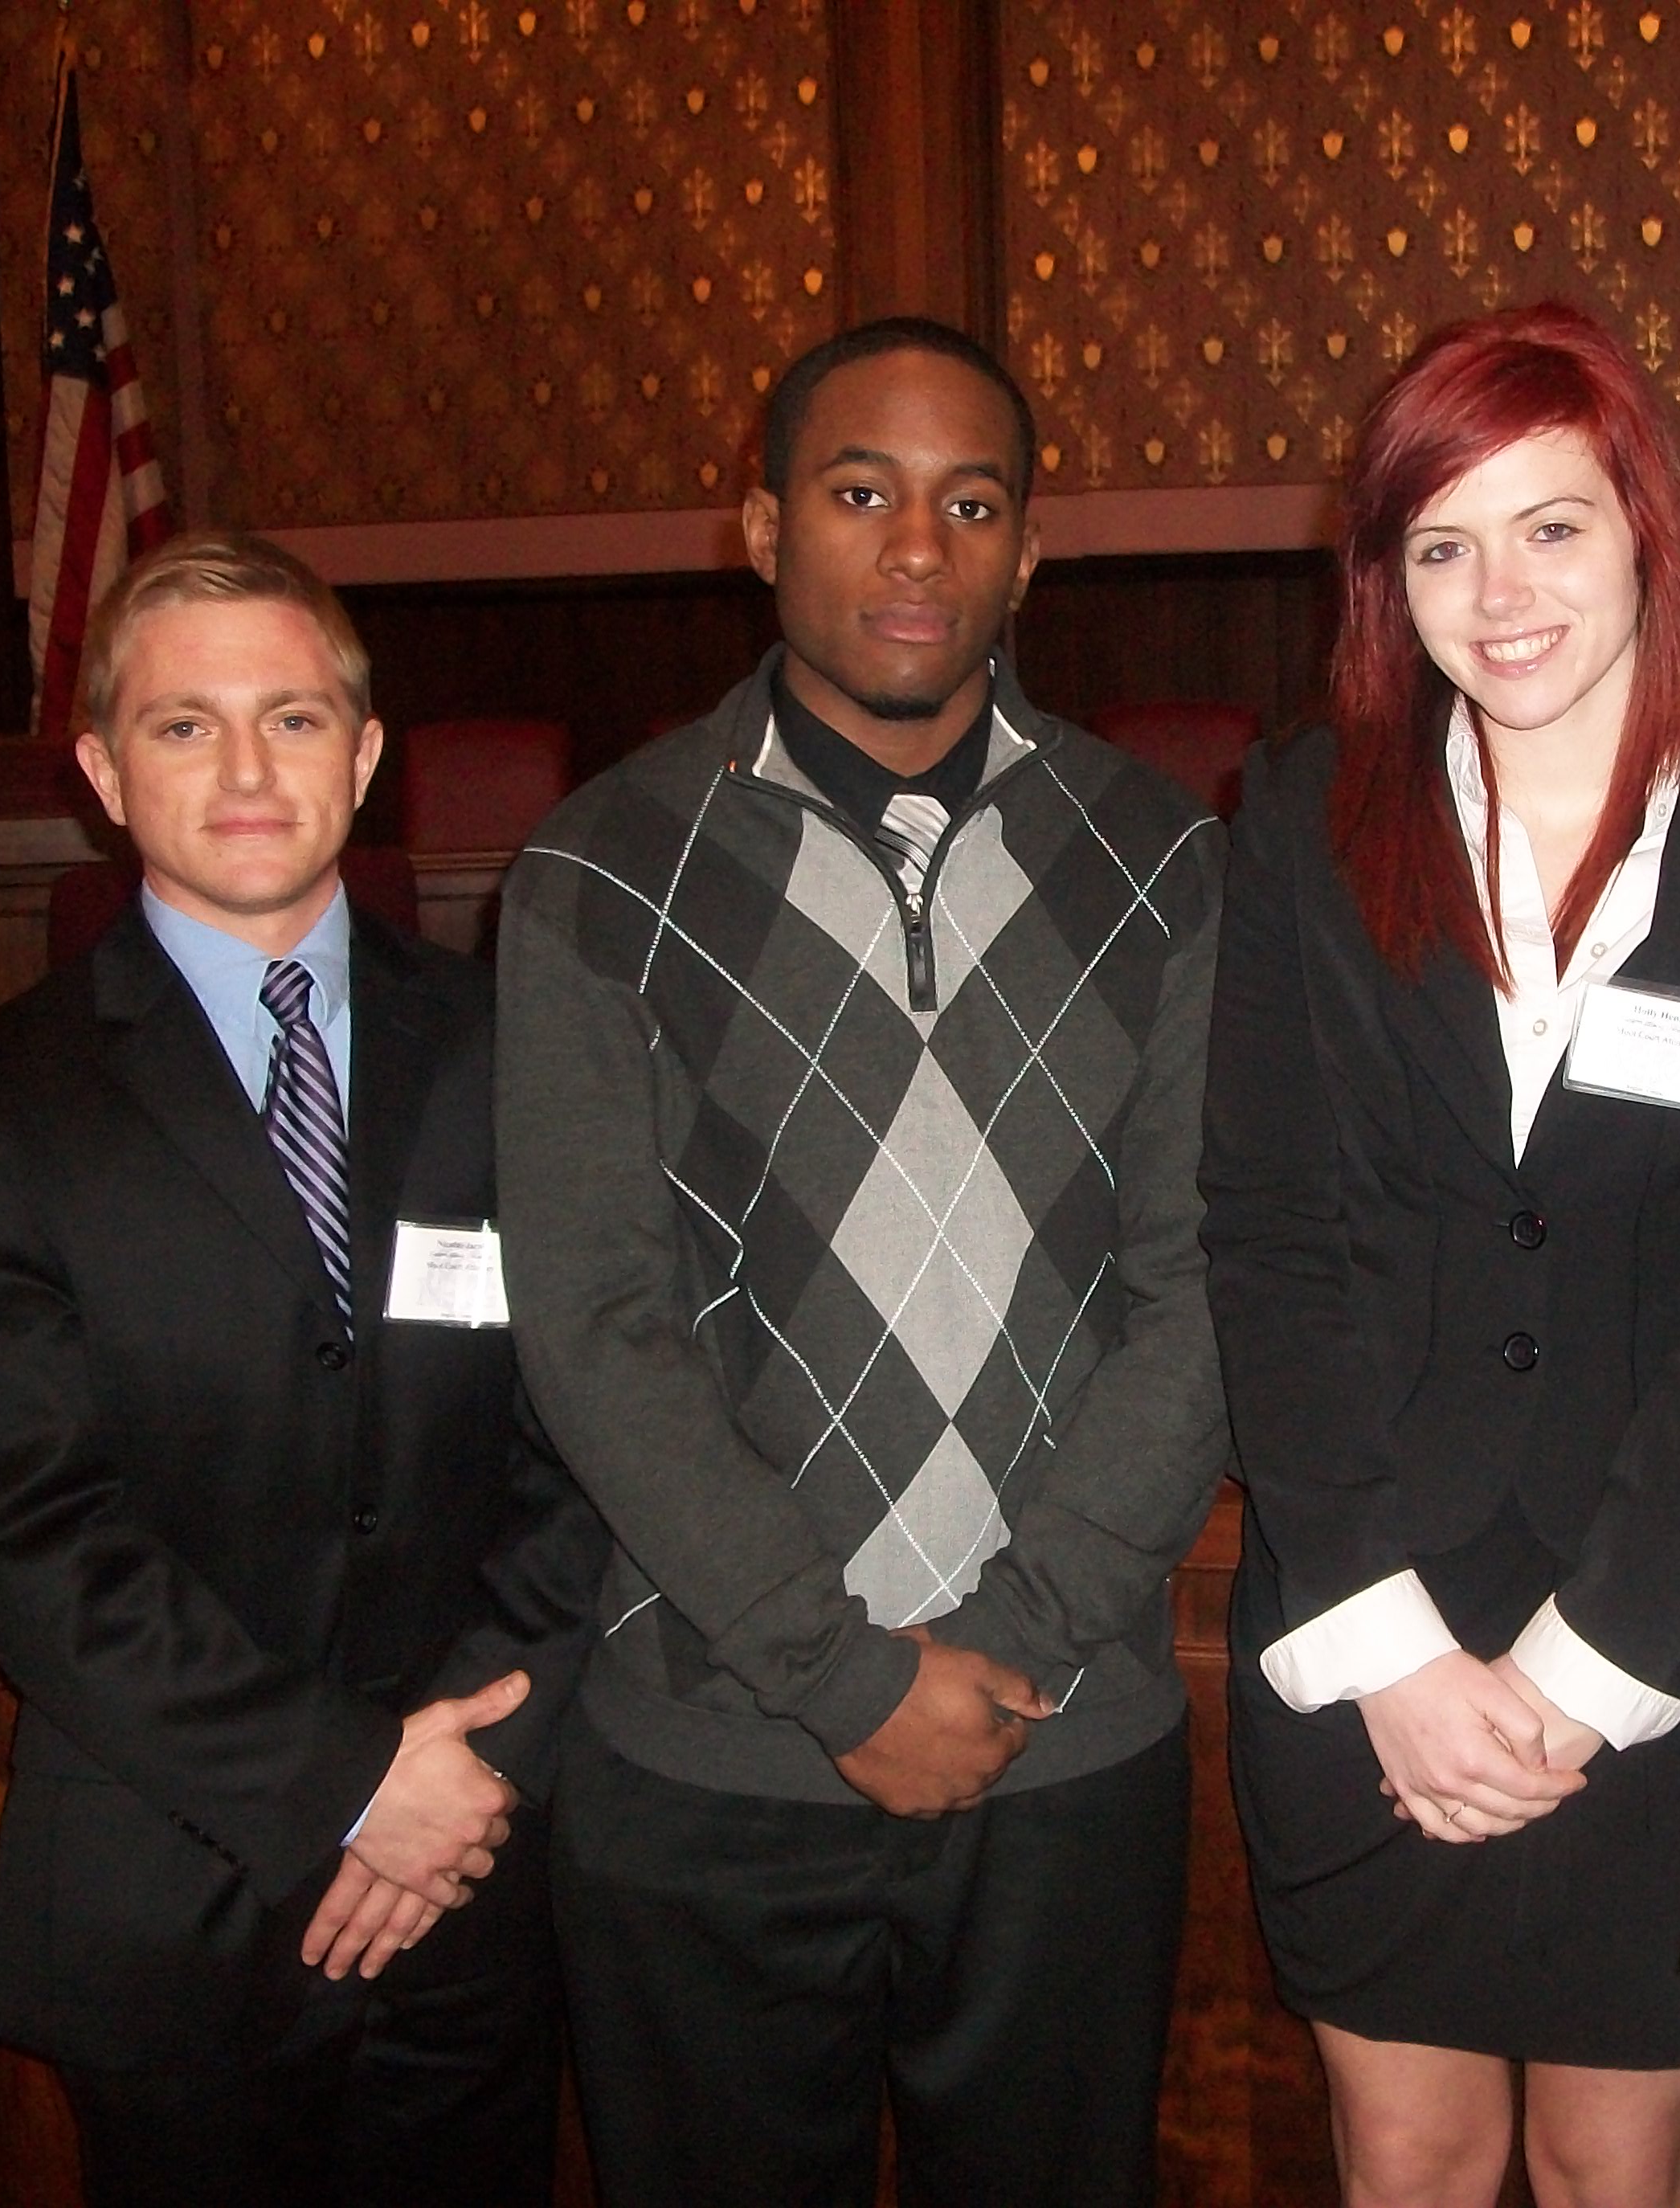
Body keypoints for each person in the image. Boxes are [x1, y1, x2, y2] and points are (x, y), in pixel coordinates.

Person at [493, 316, 1231, 2208]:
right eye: (859, 491)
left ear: (1027, 554)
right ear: (759, 527)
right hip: (710, 1762)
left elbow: (1204, 1288)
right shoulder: (595, 872)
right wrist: (838, 1677)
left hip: (1061, 1749)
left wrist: (1005, 1638)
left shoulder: (1165, 861)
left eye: (970, 501)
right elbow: (592, 1326)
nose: (917, 546)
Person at [1199, 301, 1680, 2206]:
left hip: (1652, 1624)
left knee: (1620, 2161)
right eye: (1439, 543)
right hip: (1367, 1622)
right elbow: (1267, 1233)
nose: (1495, 592)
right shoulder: (1297, 812)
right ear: (1384, 579)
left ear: (1641, 536)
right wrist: (1389, 1653)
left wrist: (1586, 1672)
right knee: (1405, 2157)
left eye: (1549, 527)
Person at [0, 531, 609, 2208]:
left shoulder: (522, 1053)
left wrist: (461, 1783)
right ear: (99, 769)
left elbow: (591, 1445)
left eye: (291, 719)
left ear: (361, 757)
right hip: (178, 1893)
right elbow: (39, 1534)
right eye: (182, 724)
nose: (241, 769)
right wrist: (352, 1789)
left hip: (477, 1890)